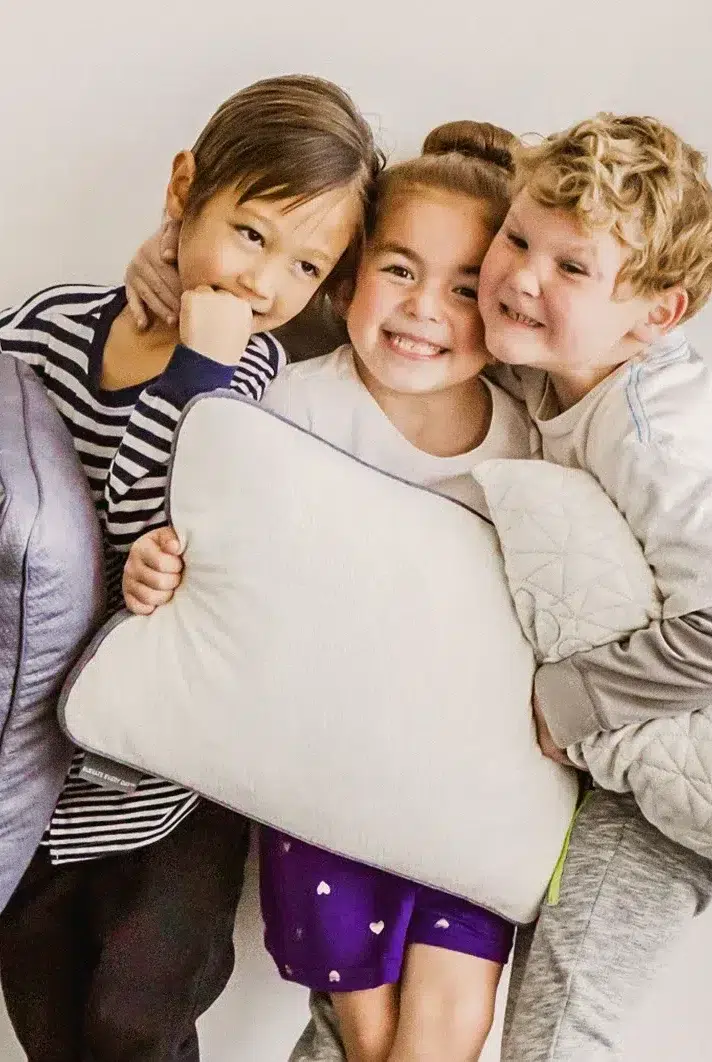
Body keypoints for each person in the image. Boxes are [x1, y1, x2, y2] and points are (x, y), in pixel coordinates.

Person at [123, 120, 532, 1062]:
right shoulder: (286, 404)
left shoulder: (524, 442)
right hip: (325, 784)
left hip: (467, 783)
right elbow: (207, 540)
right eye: (397, 270)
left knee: (445, 1034)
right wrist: (161, 566)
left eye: (465, 289)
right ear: (348, 278)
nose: (425, 309)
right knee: (369, 1028)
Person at [0, 73, 382, 1062]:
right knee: (49, 1025)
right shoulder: (47, 327)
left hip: (167, 790)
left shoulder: (248, 382)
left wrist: (201, 375)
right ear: (184, 190)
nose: (263, 284)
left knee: (136, 1019)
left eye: (305, 266)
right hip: (38, 778)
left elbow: (141, 530)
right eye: (252, 235)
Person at [476, 112, 712, 1061]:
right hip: (630, 754)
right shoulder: (554, 369)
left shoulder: (657, 430)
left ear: (656, 315)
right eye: (517, 237)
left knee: (563, 1019)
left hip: (697, 763)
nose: (521, 276)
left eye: (572, 269)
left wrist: (562, 701)